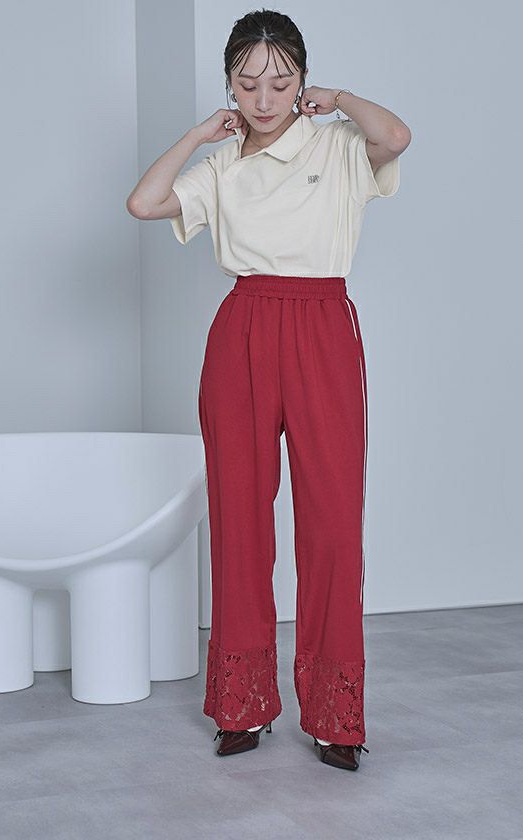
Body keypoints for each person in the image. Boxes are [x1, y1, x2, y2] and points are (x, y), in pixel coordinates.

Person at [126, 8, 410, 772]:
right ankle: (242, 706)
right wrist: (196, 137)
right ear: (229, 85)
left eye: (280, 81)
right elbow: (144, 203)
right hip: (244, 329)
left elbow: (396, 136)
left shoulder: (337, 143)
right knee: (239, 517)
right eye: (248, 82)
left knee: (332, 523)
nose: (263, 97)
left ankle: (335, 717)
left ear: (302, 81)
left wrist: (339, 99)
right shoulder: (222, 166)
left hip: (322, 325)